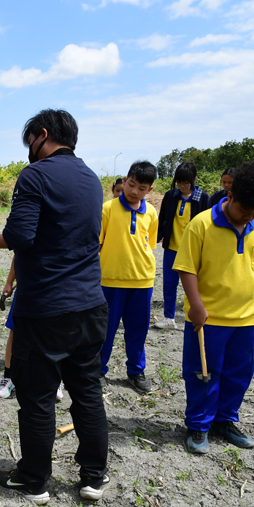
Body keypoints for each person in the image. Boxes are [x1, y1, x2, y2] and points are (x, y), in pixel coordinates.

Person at [0, 109, 110, 504]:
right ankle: (93, 476)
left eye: (30, 144)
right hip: (91, 305)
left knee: (38, 397)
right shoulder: (93, 180)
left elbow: (21, 234)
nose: (29, 152)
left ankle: (34, 479)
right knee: (87, 392)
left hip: (45, 308)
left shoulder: (35, 176)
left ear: (43, 135)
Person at [174, 161, 254, 454]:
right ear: (230, 194)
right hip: (207, 320)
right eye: (243, 210)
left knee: (239, 373)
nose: (248, 217)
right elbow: (187, 269)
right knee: (202, 373)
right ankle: (198, 425)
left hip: (247, 320)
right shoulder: (202, 225)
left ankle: (225, 420)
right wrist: (195, 305)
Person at [99, 162, 159, 393]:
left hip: (142, 281)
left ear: (149, 190)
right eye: (131, 184)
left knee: (138, 330)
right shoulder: (108, 209)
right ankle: (98, 370)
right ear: (125, 180)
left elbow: (149, 244)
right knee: (105, 330)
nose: (134, 191)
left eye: (141, 188)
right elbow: (98, 244)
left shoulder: (151, 212)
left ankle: (136, 371)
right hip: (110, 281)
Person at [0, 257, 64, 400]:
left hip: (54, 287)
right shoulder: (29, 234)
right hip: (26, 286)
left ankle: (55, 380)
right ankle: (8, 376)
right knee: (15, 332)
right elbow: (18, 253)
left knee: (53, 333)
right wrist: (9, 281)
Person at [155, 162, 210, 329]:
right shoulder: (170, 196)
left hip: (193, 251)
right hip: (172, 248)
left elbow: (207, 224)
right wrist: (158, 236)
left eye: (185, 183)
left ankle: (193, 315)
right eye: (179, 183)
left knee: (193, 286)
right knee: (169, 284)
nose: (182, 186)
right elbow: (162, 217)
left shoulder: (203, 198)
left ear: (194, 179)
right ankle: (169, 318)